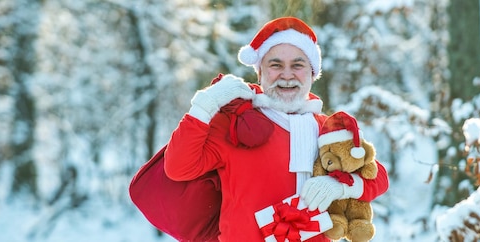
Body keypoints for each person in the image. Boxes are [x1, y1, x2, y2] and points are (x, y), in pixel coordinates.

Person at [164, 17, 389, 241]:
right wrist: (204, 106)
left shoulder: (328, 130)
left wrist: (340, 186)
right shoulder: (236, 124)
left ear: (312, 73)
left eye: (298, 65)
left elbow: (377, 178)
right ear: (260, 72)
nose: (287, 74)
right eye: (276, 65)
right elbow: (178, 167)